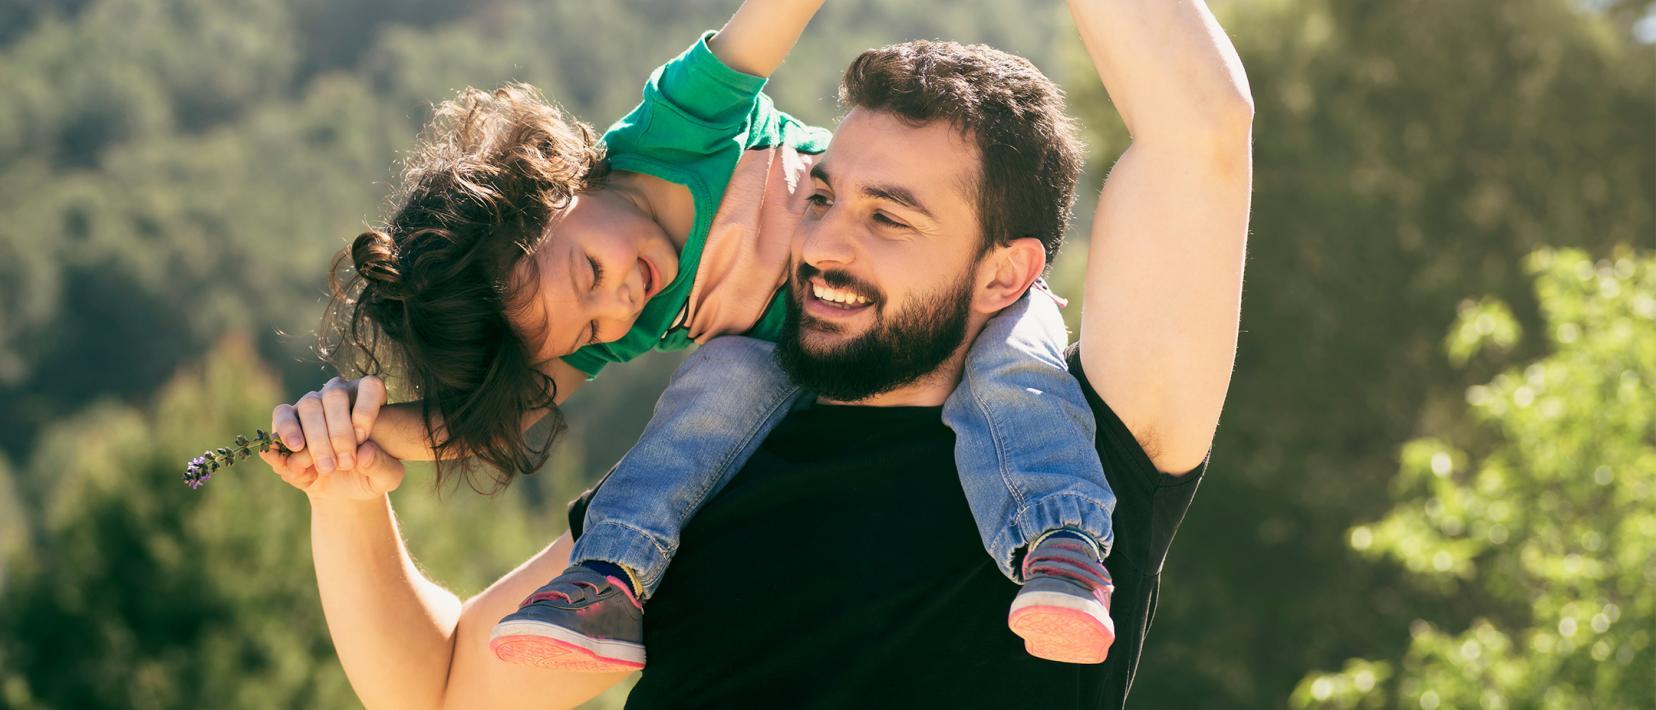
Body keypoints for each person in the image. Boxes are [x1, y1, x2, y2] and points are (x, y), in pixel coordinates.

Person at [262, 0, 1252, 705]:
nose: (823, 241)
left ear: (1006, 275)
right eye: (820, 194)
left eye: (888, 217)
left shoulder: (1089, 449)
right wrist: (347, 497)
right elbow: (441, 696)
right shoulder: (697, 476)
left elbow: (1202, 131)